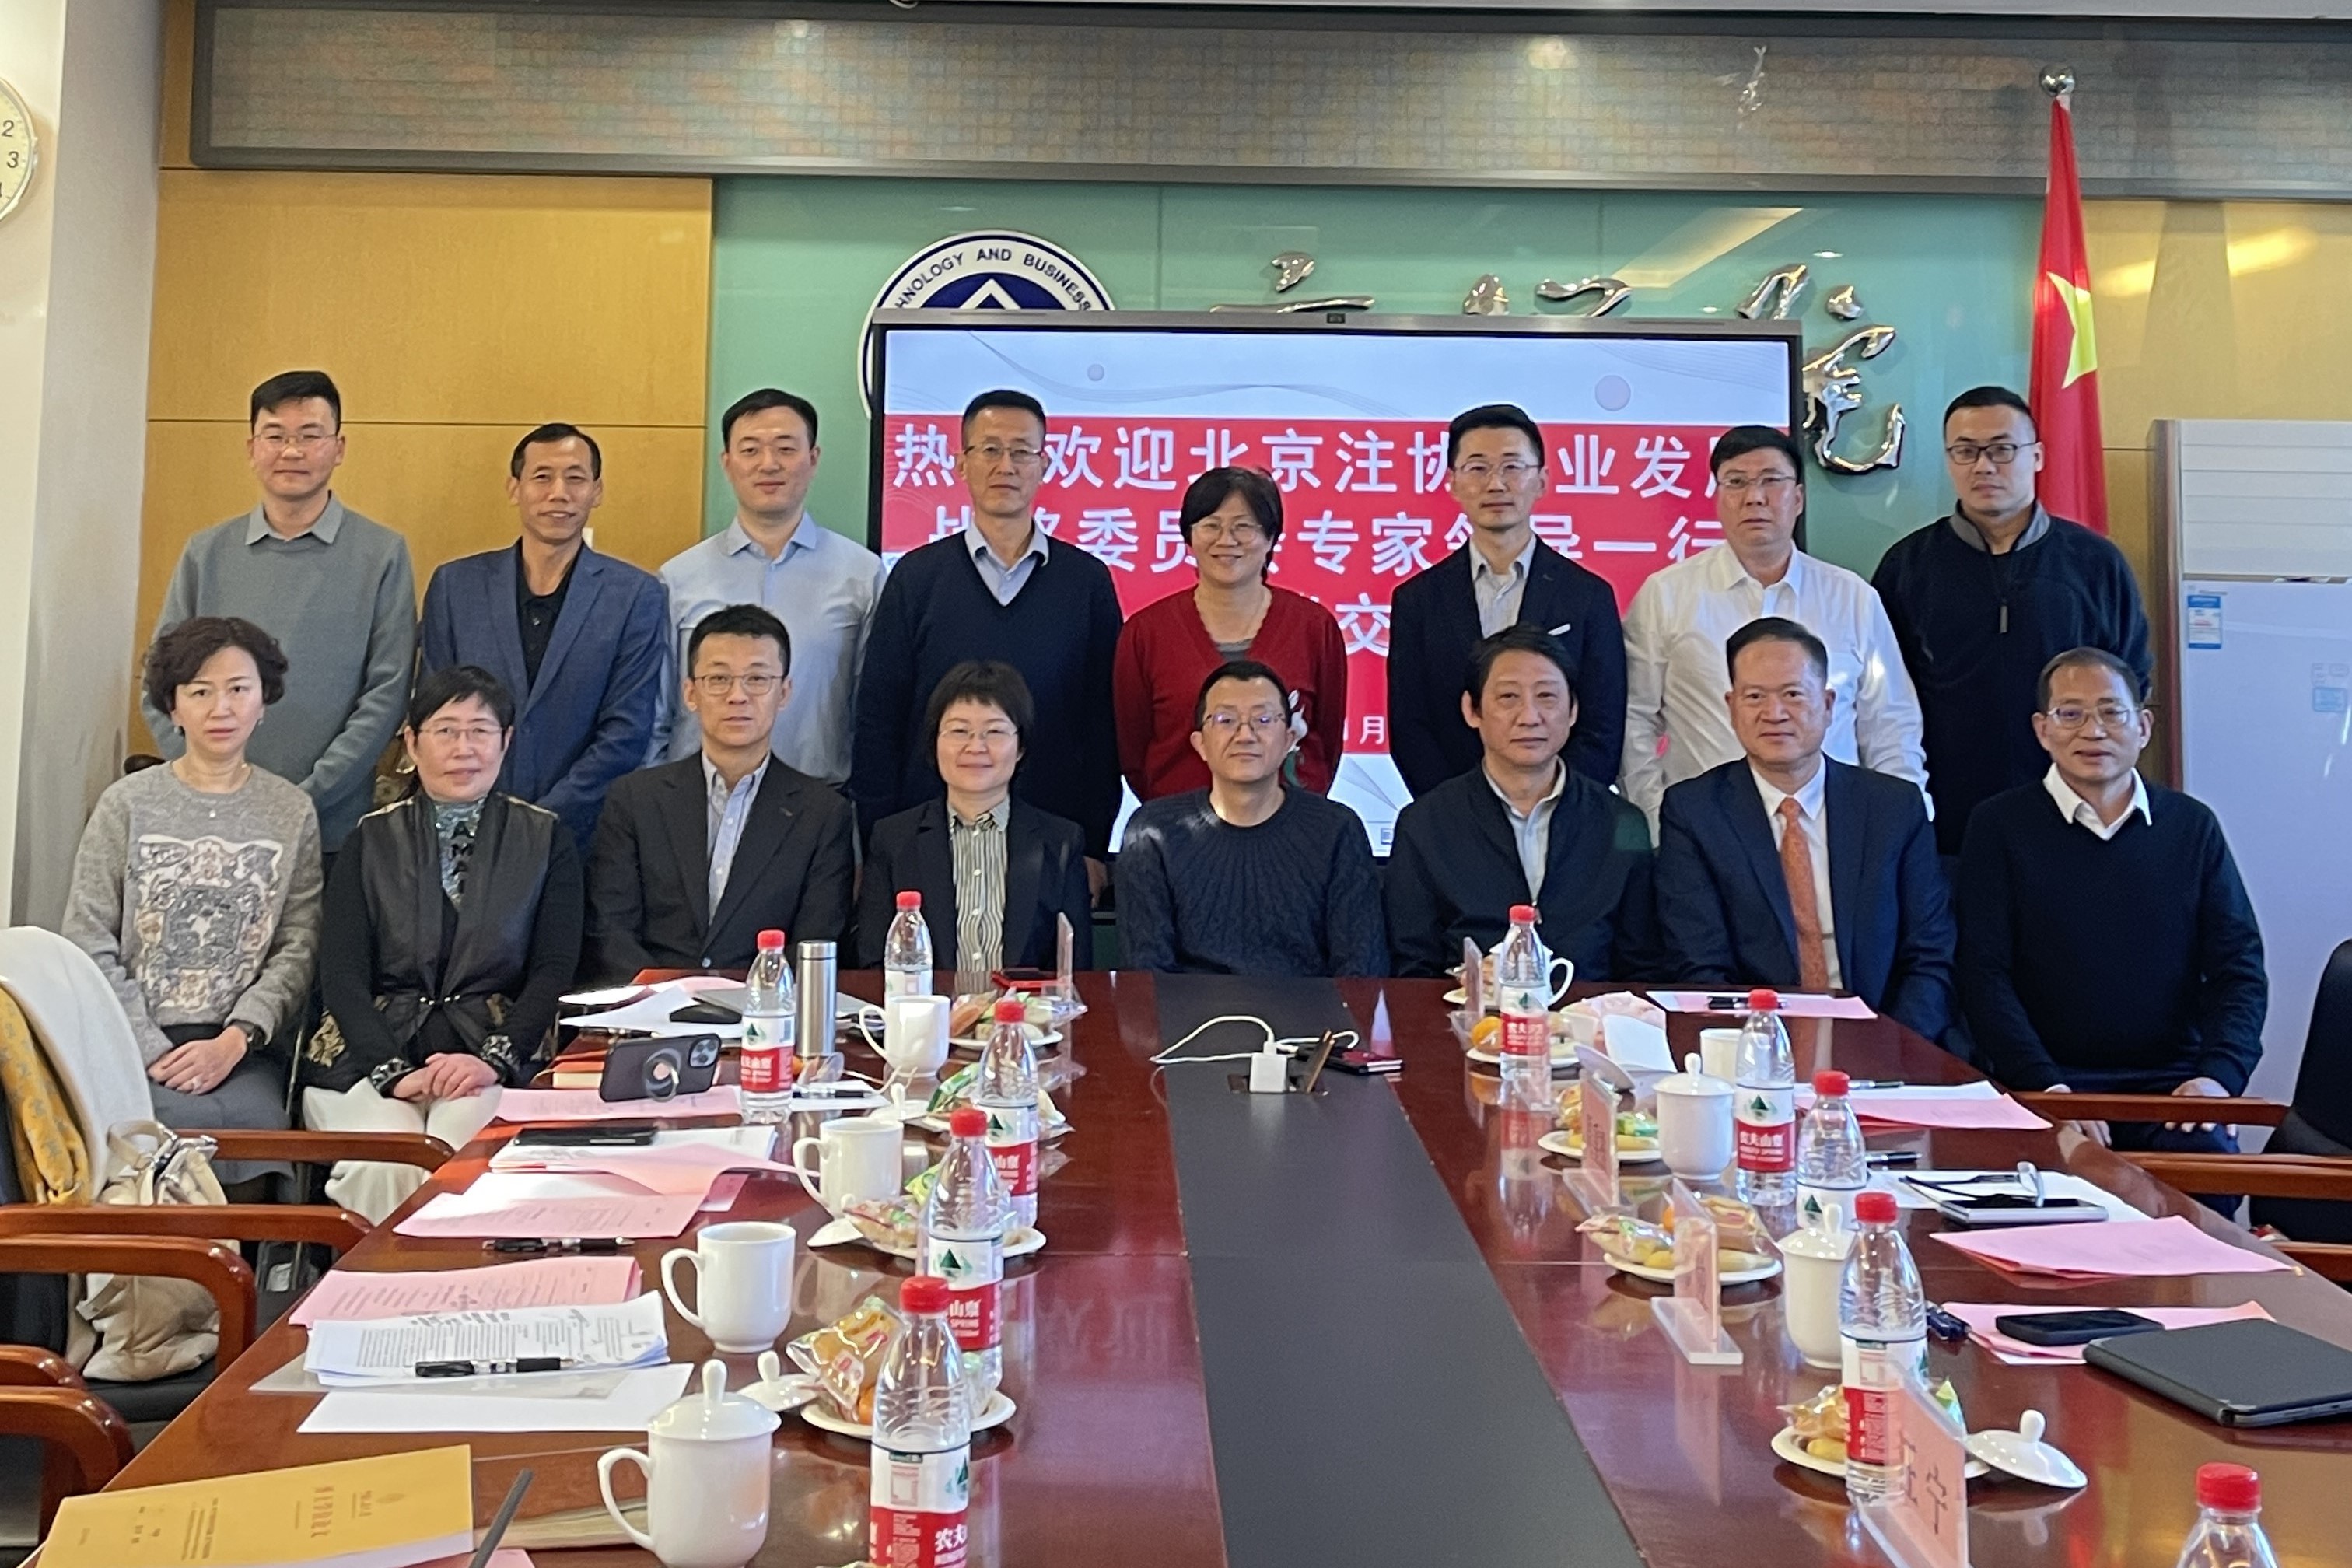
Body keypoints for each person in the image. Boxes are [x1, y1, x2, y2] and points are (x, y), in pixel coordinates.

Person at [299, 667, 581, 1223]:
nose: (463, 748)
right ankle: (383, 1280)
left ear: (506, 740)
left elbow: (554, 969)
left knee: (463, 1157)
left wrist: (492, 1060)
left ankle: (443, 1277)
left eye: (480, 731)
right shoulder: (369, 839)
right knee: (389, 1161)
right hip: (367, 1060)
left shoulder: (547, 839)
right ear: (412, 742)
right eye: (446, 730)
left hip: (491, 1060)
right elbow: (342, 974)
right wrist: (391, 1071)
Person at [1958, 647, 2266, 1153]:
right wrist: (2045, 1085)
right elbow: (1982, 974)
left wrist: (2217, 1076)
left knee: (2207, 1163)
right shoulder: (1998, 827)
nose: (2093, 731)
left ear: (2143, 727)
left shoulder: (2192, 828)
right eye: (2071, 714)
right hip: (2048, 1080)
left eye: (2111, 712)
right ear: (2042, 730)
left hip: (2172, 1084)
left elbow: (2239, 968)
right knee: (2051, 1180)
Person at [65, 618, 322, 1150]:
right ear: (173, 706)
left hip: (242, 1048)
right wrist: (149, 1048)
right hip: (130, 1038)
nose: (221, 708)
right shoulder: (126, 803)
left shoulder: (291, 811)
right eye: (200, 692)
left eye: (238, 689)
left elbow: (298, 946)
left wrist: (235, 1039)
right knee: (140, 1127)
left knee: (254, 1125)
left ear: (263, 701)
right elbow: (87, 937)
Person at [850, 390, 1125, 882]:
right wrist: (880, 841)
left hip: (1053, 842)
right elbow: (879, 717)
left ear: (1044, 465)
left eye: (1022, 452)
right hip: (927, 839)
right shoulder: (916, 577)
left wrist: (1094, 846)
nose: (1006, 466)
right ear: (961, 464)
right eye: (990, 450)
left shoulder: (1086, 581)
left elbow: (1102, 724)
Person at [1871, 386, 2152, 859]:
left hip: (2072, 814)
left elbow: (2130, 684)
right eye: (1965, 451)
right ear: (1949, 460)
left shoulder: (2095, 563)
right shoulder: (1908, 566)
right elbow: (1881, 702)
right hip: (1945, 824)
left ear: (2037, 456)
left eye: (2002, 450)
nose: (1983, 466)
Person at [142, 370, 415, 855]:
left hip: (328, 826)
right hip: (209, 824)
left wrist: (304, 796)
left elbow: (387, 693)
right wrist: (210, 780)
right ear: (252, 448)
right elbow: (159, 684)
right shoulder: (207, 553)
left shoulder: (382, 555)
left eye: (310, 435)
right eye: (275, 436)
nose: (292, 451)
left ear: (339, 448)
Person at [1654, 618, 1955, 1045]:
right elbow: (1699, 965)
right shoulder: (1696, 812)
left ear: (1828, 704)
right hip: (1754, 1045)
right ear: (1732, 707)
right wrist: (1758, 1052)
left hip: (1886, 1037)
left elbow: (1930, 956)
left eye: (1793, 694)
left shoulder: (1893, 808)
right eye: (1755, 697)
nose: (1774, 713)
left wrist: (1893, 1046)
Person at [1621, 425, 1926, 833]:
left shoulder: (1852, 597)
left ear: (1798, 498)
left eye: (1771, 481)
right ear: (1717, 498)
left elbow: (1891, 725)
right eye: (1736, 482)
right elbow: (1634, 719)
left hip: (1837, 831)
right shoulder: (1666, 595)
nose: (1754, 497)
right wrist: (1658, 819)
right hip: (1707, 833)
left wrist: (1902, 826)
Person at [418, 422, 667, 850]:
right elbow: (433, 713)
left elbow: (626, 732)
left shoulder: (635, 595)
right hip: (466, 831)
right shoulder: (454, 586)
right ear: (514, 488)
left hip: (585, 836)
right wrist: (483, 814)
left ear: (597, 491)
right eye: (542, 477)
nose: (559, 493)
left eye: (575, 478)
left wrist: (541, 821)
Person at [586, 604, 854, 978]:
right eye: (719, 679)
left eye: (757, 679)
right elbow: (611, 930)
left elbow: (816, 940)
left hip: (766, 1004)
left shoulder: (823, 813)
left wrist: (748, 999)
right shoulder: (635, 799)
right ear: (690, 693)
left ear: (784, 693)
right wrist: (665, 995)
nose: (737, 696)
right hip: (653, 1004)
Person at [1387, 627, 1655, 980]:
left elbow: (1643, 966)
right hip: (1466, 1012)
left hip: (1589, 1013)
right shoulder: (1425, 824)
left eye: (1546, 696)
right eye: (1508, 697)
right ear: (1472, 710)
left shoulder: (1621, 822)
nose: (1529, 717)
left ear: (1573, 710)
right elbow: (1411, 968)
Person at [1389, 404, 1626, 795]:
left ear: (1542, 481)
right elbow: (1410, 726)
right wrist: (1455, 811)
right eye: (1478, 468)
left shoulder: (1588, 596)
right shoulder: (1418, 600)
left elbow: (1603, 726)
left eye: (1513, 467)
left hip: (1566, 814)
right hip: (1453, 814)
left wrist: (1557, 807)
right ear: (1453, 482)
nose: (1496, 484)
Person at [656, 388, 883, 785]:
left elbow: (873, 710)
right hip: (694, 797)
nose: (769, 464)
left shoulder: (863, 575)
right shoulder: (678, 578)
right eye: (750, 450)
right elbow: (657, 713)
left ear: (813, 459)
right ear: (727, 463)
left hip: (819, 798)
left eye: (786, 448)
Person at [1117, 661, 1386, 977]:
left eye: (1263, 720)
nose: (1245, 735)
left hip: (1311, 1010)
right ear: (1200, 744)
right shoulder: (1152, 834)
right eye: (1226, 720)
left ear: (1289, 740)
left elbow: (1360, 973)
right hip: (1187, 1010)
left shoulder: (1337, 831)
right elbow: (1146, 977)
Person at [1113, 466, 1348, 800]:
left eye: (1244, 526)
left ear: (1270, 538)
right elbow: (1134, 751)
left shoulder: (1314, 627)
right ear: (1189, 537)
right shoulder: (1145, 633)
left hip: (1291, 820)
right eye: (1211, 525)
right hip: (1179, 821)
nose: (1227, 540)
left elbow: (1327, 740)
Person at [857, 662, 1091, 978]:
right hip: (926, 1010)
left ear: (1020, 747)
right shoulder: (893, 839)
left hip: (1025, 1011)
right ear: (934, 742)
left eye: (994, 732)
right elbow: (873, 963)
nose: (976, 747)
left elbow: (1075, 971)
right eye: (959, 731)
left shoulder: (1061, 842)